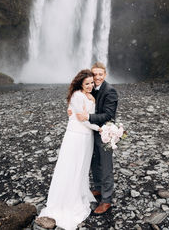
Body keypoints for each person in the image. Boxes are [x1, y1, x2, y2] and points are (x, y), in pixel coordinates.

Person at [38, 69, 100, 230]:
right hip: (77, 136)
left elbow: (84, 115)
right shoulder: (77, 95)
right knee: (71, 165)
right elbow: (82, 119)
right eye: (87, 83)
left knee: (82, 166)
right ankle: (66, 200)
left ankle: (79, 192)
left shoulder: (91, 95)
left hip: (88, 137)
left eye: (92, 83)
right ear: (80, 84)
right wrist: (100, 128)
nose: (90, 85)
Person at [76, 62, 118, 215]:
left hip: (105, 133)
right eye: (95, 74)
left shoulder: (110, 91)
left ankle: (106, 201)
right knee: (94, 162)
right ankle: (99, 189)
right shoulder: (91, 88)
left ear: (105, 75)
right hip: (92, 131)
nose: (98, 77)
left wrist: (88, 117)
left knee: (106, 167)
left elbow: (108, 115)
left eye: (100, 74)